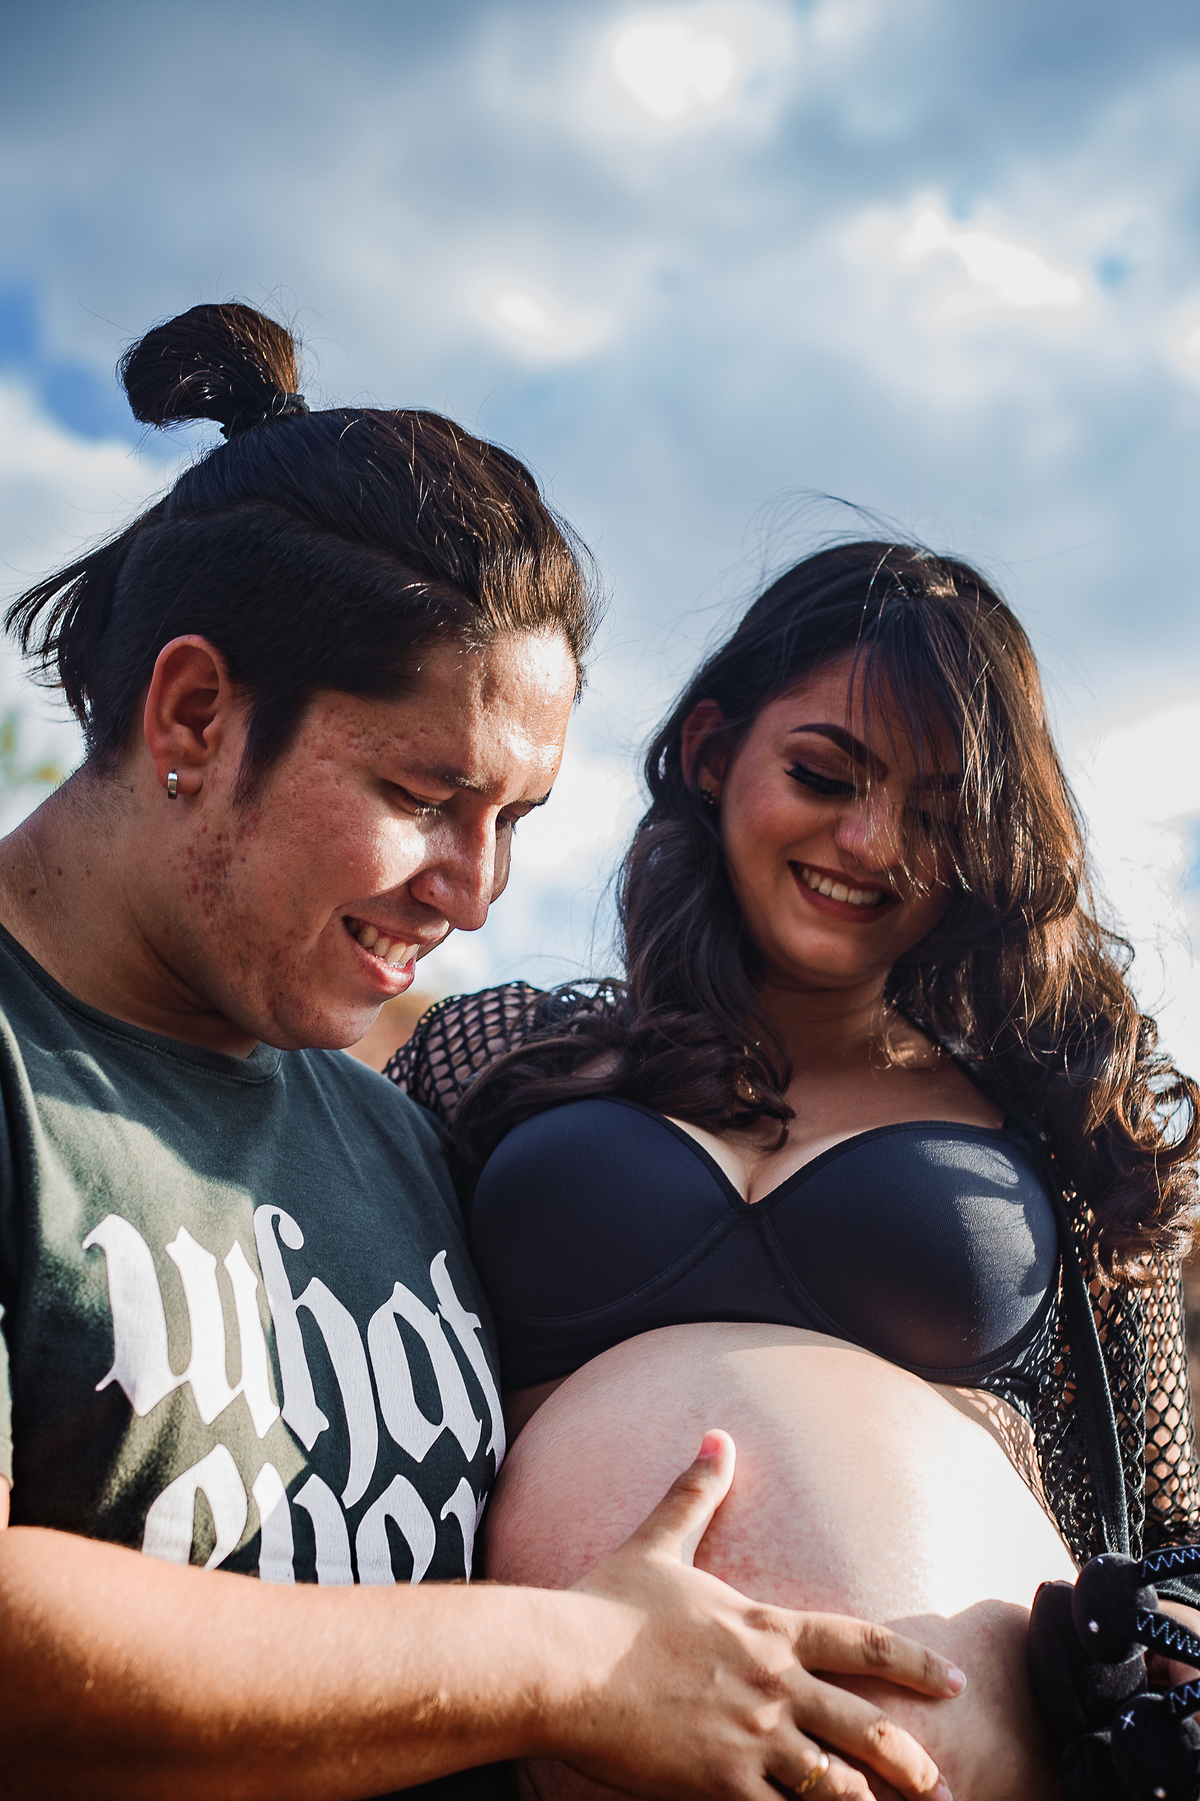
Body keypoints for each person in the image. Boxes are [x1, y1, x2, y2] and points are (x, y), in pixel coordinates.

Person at [0, 306, 967, 1801]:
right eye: (423, 796)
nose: (474, 893)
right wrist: (570, 1663)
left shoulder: (392, 1133)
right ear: (194, 711)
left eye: (513, 820)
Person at [388, 542, 1200, 1800]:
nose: (872, 843)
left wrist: (1175, 1649)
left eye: (937, 817)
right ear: (713, 752)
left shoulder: (1061, 1131)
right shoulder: (496, 1054)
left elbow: (1171, 1519)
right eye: (825, 774)